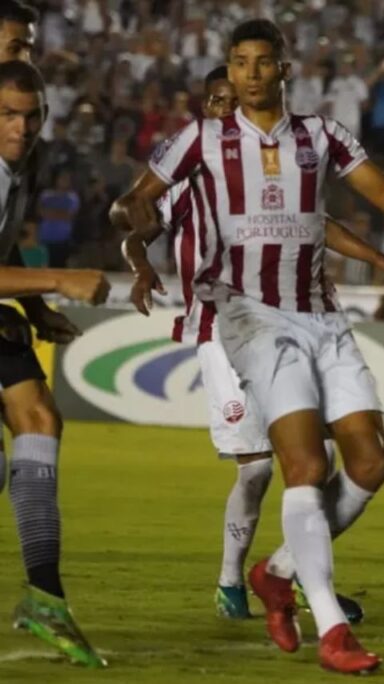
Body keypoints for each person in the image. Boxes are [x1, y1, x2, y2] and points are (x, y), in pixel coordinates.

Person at [112, 19, 384, 674]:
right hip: (248, 315)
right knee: (303, 468)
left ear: (284, 69)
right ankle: (334, 629)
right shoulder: (199, 141)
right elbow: (131, 202)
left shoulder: (322, 137)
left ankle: (275, 572)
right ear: (228, 72)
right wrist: (143, 249)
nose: (253, 73)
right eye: (241, 62)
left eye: (264, 61)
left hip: (321, 313)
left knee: (372, 462)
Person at [0, 4, 109, 668]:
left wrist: (35, 310)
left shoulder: (27, 148)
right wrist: (59, 281)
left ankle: (44, 594)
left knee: (39, 416)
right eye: (14, 43)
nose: (25, 52)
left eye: (29, 47)